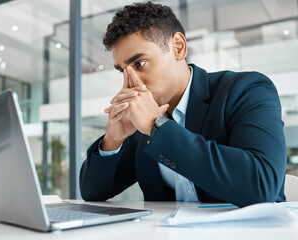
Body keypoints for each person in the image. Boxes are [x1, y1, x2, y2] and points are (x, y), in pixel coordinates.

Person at [79, 1, 287, 207]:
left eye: (139, 64)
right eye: (122, 71)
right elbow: (92, 192)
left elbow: (261, 184)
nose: (132, 83)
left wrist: (157, 126)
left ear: (178, 47)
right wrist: (113, 141)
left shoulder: (246, 90)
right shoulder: (139, 126)